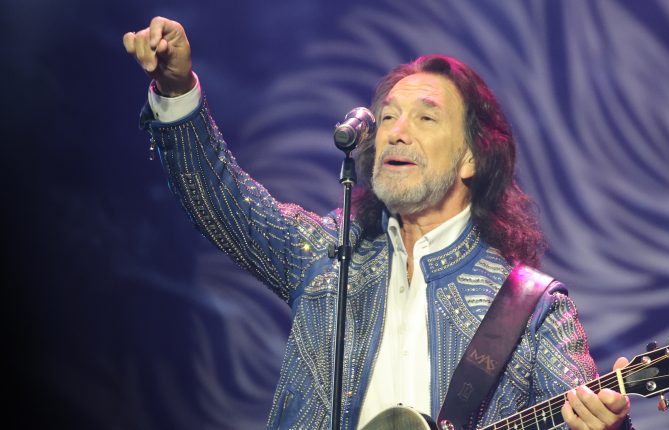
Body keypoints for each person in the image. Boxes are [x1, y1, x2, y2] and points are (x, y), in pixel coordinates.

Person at [124, 16, 631, 430]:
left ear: (471, 158)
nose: (396, 132)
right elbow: (222, 201)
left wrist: (608, 426)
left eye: (425, 118)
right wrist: (176, 90)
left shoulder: (533, 308)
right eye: (388, 116)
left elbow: (585, 412)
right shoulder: (327, 255)